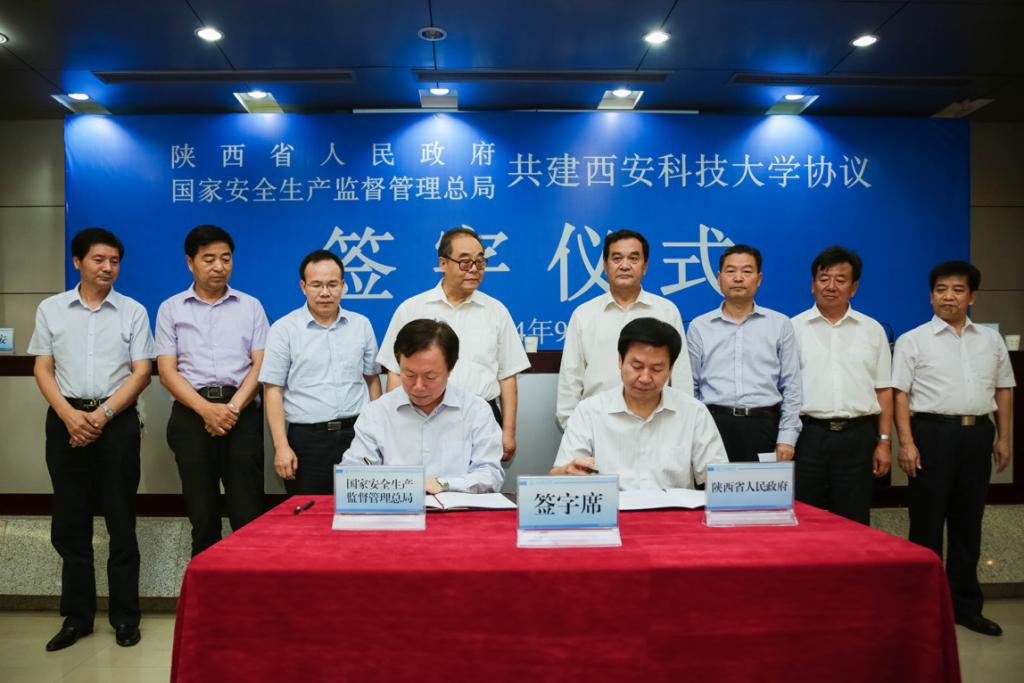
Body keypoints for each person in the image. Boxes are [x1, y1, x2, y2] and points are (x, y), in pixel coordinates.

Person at [29, 228, 153, 651]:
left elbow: (142, 372)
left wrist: (101, 416)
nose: (108, 268)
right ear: (77, 261)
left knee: (121, 521)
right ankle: (77, 617)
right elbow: (43, 367)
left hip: (116, 422)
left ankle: (125, 617)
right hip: (65, 421)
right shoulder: (51, 309)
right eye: (99, 259)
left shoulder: (133, 311)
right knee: (70, 522)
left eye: (114, 261)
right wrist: (69, 415)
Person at [892, 261, 1015, 637]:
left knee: (968, 524)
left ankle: (966, 607)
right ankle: (923, 607)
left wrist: (1004, 437)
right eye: (941, 289)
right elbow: (900, 395)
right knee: (926, 525)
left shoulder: (991, 341)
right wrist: (906, 443)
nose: (948, 297)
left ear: (971, 296)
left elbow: (1003, 389)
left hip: (977, 435)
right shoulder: (914, 339)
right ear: (931, 295)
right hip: (931, 434)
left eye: (958, 290)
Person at [155, 225, 268, 557]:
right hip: (192, 415)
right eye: (209, 259)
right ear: (190, 262)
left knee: (247, 511)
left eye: (226, 258)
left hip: (241, 414)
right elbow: (167, 372)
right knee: (202, 513)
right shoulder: (171, 309)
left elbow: (261, 365)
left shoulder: (251, 306)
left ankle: (248, 586)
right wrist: (206, 410)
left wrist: (231, 409)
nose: (219, 266)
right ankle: (207, 587)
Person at [376, 226, 529, 460]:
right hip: (423, 416)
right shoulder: (411, 309)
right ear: (443, 263)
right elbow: (395, 373)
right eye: (465, 262)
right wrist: (397, 425)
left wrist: (508, 433)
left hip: (481, 418)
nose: (474, 269)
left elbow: (507, 376)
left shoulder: (496, 311)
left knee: (482, 480)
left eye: (480, 262)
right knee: (426, 481)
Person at [551, 318, 726, 489]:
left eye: (656, 369)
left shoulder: (694, 412)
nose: (645, 378)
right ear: (620, 361)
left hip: (672, 508)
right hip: (613, 507)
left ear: (670, 369)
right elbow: (558, 476)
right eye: (637, 366)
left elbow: (721, 481)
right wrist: (566, 472)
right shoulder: (589, 411)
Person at [260, 249, 381, 494]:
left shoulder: (361, 325)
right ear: (303, 287)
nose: (325, 292)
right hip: (308, 441)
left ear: (343, 285)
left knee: (362, 509)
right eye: (316, 285)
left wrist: (378, 433)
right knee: (310, 513)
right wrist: (281, 446)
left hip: (357, 435)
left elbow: (372, 380)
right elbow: (272, 390)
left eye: (332, 284)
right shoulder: (284, 329)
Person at [791, 246, 892, 524]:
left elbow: (884, 390)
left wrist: (884, 442)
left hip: (857, 436)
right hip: (808, 436)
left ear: (854, 287)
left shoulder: (872, 330)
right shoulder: (793, 328)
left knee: (854, 517)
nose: (831, 286)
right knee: (805, 517)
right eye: (824, 279)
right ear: (812, 284)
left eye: (840, 279)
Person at [343, 319, 503, 494]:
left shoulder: (476, 410)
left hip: (458, 509)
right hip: (396, 508)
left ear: (450, 369)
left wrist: (444, 484)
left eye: (430, 376)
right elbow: (352, 474)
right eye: (409, 375)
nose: (418, 386)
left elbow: (490, 474)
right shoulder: (377, 412)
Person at [556, 229, 693, 430]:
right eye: (617, 258)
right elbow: (570, 378)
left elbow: (681, 376)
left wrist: (681, 425)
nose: (625, 265)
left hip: (656, 425)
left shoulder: (666, 311)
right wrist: (573, 427)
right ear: (605, 266)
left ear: (645, 266)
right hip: (597, 425)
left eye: (633, 258)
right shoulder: (584, 314)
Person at [687, 244, 802, 462]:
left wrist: (787, 437)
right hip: (713, 425)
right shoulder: (699, 326)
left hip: (765, 426)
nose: (738, 278)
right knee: (713, 485)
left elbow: (792, 386)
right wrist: (693, 433)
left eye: (747, 271)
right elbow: (690, 385)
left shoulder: (780, 324)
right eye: (730, 271)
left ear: (759, 279)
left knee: (764, 485)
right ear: (719, 278)